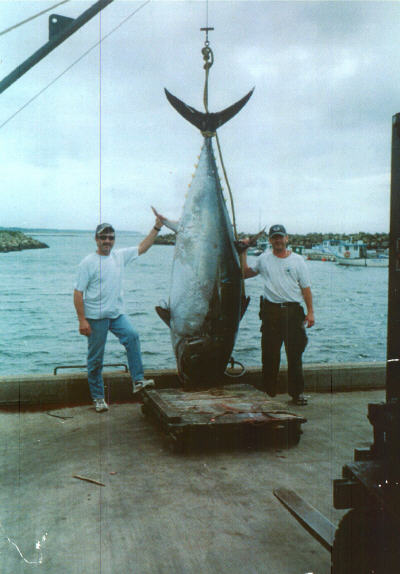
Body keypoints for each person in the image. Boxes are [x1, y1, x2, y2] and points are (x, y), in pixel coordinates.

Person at [73, 214, 164, 412]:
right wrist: (82, 320)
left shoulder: (119, 256)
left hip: (116, 314)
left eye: (111, 238)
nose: (107, 241)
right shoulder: (87, 263)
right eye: (103, 237)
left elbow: (142, 248)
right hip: (95, 318)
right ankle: (98, 397)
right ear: (96, 239)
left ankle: (138, 381)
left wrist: (157, 227)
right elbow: (78, 292)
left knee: (132, 336)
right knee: (96, 359)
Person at [242, 224, 315, 405]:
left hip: (293, 312)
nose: (278, 240)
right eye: (274, 237)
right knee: (269, 355)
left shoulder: (298, 261)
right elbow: (244, 273)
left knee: (294, 355)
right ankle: (268, 394)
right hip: (270, 313)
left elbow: (306, 288)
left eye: (280, 237)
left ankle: (297, 394)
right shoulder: (264, 259)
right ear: (270, 240)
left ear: (287, 239)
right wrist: (243, 251)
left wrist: (310, 312)